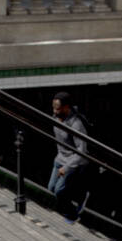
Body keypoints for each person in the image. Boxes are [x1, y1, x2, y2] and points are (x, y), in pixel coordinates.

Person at [47, 91, 89, 223]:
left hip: (73, 161)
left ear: (67, 107)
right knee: (51, 189)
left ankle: (73, 214)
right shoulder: (55, 117)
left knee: (59, 190)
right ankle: (74, 200)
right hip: (60, 158)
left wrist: (66, 167)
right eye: (53, 108)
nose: (55, 111)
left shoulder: (76, 124)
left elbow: (82, 150)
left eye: (58, 109)